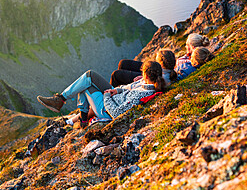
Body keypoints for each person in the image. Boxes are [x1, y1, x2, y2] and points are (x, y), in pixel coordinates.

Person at [37, 61, 166, 125]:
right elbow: (128, 90)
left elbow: (116, 113)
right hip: (115, 95)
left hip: (106, 108)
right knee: (89, 75)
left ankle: (62, 102)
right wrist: (117, 90)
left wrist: (107, 95)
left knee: (85, 85)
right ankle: (68, 105)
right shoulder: (146, 83)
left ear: (146, 75)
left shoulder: (142, 94)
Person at [110, 33, 210, 87]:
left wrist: (145, 77)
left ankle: (110, 97)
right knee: (123, 63)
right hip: (160, 68)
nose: (185, 46)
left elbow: (171, 76)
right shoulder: (194, 55)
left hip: (158, 74)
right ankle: (122, 90)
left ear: (192, 46)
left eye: (187, 45)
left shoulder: (192, 62)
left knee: (116, 75)